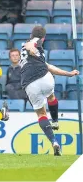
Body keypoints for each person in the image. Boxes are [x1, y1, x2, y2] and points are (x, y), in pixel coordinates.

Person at [19, 26, 80, 156]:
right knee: (51, 97)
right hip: (44, 77)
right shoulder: (34, 42)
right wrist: (33, 49)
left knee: (41, 114)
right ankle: (56, 121)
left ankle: (54, 141)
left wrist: (68, 74)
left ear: (31, 33)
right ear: (44, 38)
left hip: (29, 83)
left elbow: (48, 66)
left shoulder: (27, 53)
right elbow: (30, 45)